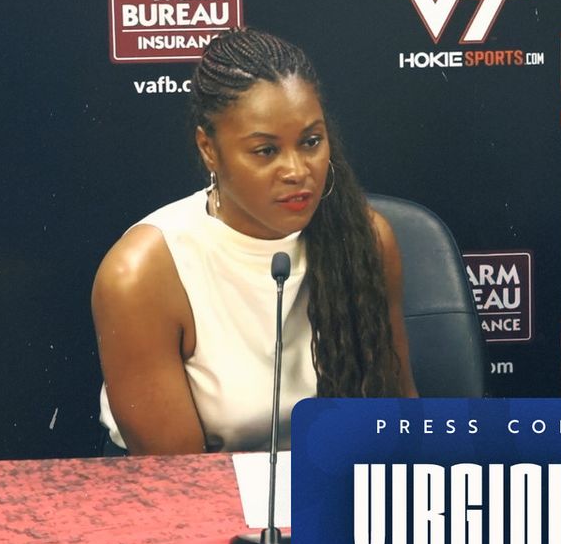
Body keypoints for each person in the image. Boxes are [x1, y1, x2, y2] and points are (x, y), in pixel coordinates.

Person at [93, 27, 417, 455]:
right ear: (208, 149)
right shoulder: (142, 274)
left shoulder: (367, 240)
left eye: (311, 142)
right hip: (201, 506)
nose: (297, 170)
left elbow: (399, 420)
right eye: (266, 151)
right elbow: (177, 486)